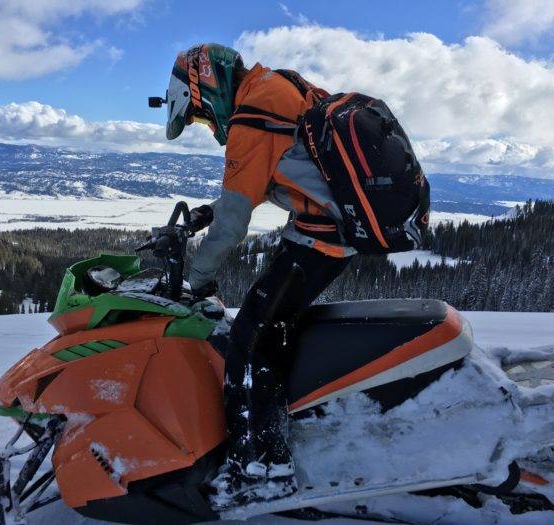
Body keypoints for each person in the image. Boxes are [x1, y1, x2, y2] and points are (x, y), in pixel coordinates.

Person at [154, 43, 357, 507]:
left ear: (206, 89)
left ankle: (262, 468)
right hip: (320, 230)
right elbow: (283, 170)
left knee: (251, 338)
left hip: (321, 238)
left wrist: (199, 278)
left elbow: (234, 226)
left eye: (203, 118)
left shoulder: (254, 109)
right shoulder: (276, 86)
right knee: (273, 326)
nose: (209, 129)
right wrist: (211, 209)